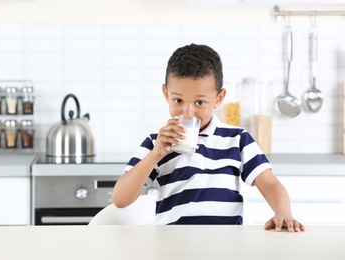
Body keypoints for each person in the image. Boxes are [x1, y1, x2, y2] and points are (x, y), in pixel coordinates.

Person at [112, 43, 304, 232]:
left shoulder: (237, 139)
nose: (188, 112)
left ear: (218, 99)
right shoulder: (157, 143)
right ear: (166, 94)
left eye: (200, 102)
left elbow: (270, 184)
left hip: (225, 246)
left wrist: (283, 211)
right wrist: (155, 155)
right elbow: (120, 199)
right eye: (178, 100)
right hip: (172, 247)